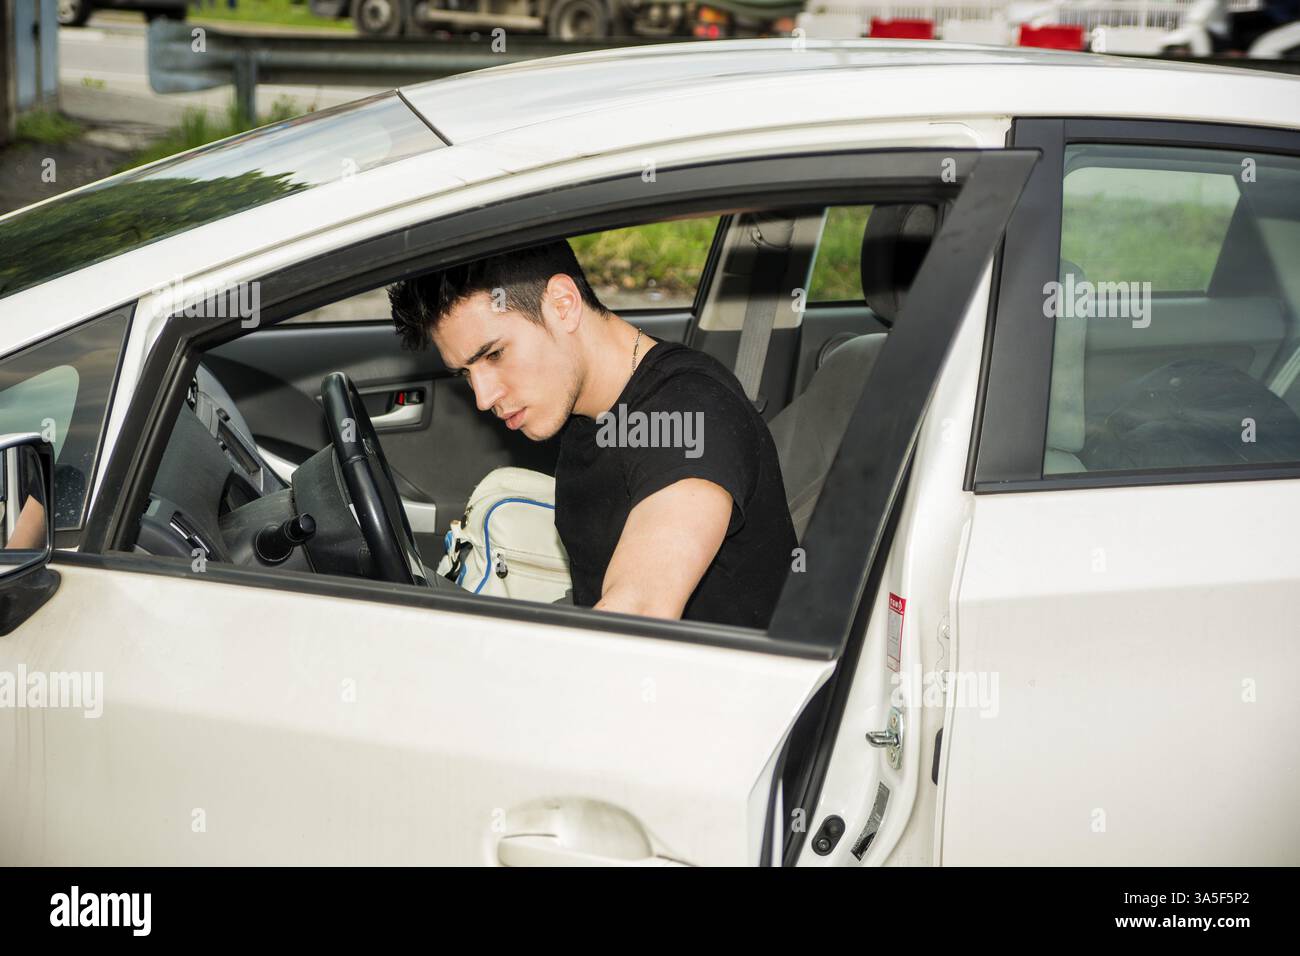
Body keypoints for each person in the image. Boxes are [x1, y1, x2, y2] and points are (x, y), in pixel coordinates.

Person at [388, 240, 797, 628]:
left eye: (494, 354)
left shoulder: (689, 414)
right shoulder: (595, 410)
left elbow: (637, 614)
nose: (483, 396)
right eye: (466, 372)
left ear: (563, 305)